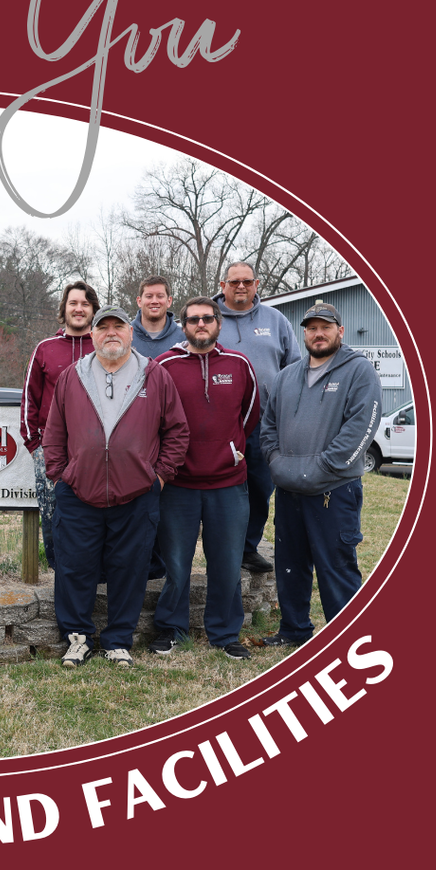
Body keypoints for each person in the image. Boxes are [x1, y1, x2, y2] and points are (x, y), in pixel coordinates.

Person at [43, 306, 188, 668]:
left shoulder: (153, 376)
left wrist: (159, 476)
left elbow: (176, 431)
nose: (111, 333)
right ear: (91, 335)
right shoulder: (72, 377)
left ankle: (118, 640)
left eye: (118, 326)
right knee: (74, 567)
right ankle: (77, 638)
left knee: (130, 567)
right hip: (78, 492)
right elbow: (54, 432)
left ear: (130, 332)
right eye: (102, 327)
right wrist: (60, 474)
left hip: (136, 494)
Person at [259, 300, 382, 646]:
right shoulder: (287, 376)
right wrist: (275, 462)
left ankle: (347, 640)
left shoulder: (359, 372)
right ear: (305, 334)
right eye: (312, 328)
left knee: (336, 568)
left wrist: (323, 469)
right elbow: (268, 427)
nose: (318, 333)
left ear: (340, 332)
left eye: (325, 327)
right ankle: (293, 631)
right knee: (290, 565)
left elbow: (361, 429)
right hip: (288, 491)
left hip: (334, 492)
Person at [152, 297, 260, 660]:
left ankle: (225, 633)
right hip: (178, 485)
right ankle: (171, 628)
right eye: (193, 319)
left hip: (228, 483)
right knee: (177, 563)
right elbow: (151, 417)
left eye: (207, 318)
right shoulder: (163, 365)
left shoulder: (239, 364)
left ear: (218, 324)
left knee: (227, 562)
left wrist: (230, 449)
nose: (201, 324)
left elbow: (250, 414)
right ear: (182, 325)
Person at [213, 262, 300, 573]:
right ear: (222, 284)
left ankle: (247, 548)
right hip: (219, 425)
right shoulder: (208, 317)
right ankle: (221, 549)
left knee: (260, 486)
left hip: (265, 423)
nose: (240, 287)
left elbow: (295, 369)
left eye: (247, 281)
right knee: (221, 489)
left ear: (257, 283)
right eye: (234, 281)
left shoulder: (275, 321)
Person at [20, 280, 100, 570]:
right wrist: (35, 447)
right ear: (64, 309)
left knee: (94, 514)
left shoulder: (104, 346)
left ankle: (94, 576)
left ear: (93, 310)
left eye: (85, 304)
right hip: (51, 451)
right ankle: (59, 573)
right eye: (73, 303)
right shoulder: (45, 349)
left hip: (96, 450)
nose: (79, 309)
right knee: (54, 516)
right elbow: (29, 399)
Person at [130, 276, 186, 357]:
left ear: (169, 301)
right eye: (149, 296)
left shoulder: (184, 338)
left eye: (160, 296)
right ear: (139, 301)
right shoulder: (125, 336)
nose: (154, 301)